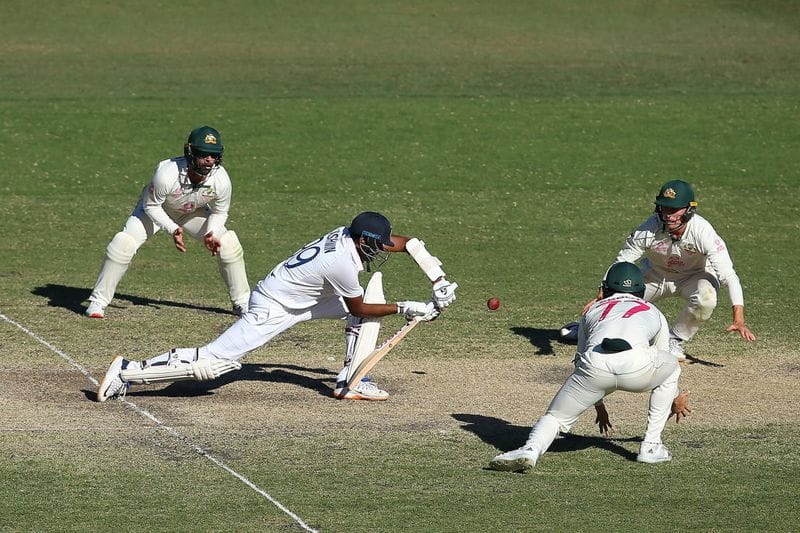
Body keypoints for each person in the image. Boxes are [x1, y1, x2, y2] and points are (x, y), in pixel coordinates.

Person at [96, 211, 458, 402]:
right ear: (362, 239)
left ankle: (351, 381)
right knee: (214, 363)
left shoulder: (349, 234)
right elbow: (360, 307)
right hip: (275, 305)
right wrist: (408, 307)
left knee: (364, 308)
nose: (379, 250)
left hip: (304, 299)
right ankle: (127, 372)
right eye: (374, 245)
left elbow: (408, 242)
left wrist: (437, 280)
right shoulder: (343, 262)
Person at [490, 262, 690, 473]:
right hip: (637, 368)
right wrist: (674, 397)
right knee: (672, 367)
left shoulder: (592, 310)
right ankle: (651, 446)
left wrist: (598, 403)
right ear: (640, 290)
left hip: (595, 366)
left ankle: (530, 450)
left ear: (605, 289)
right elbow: (663, 359)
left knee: (556, 417)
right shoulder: (653, 311)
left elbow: (580, 359)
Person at [561, 180, 755, 359]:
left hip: (694, 277)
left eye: (674, 209)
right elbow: (622, 261)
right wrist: (603, 297)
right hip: (655, 275)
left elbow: (729, 276)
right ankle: (589, 327)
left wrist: (738, 319)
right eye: (664, 208)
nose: (668, 215)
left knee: (707, 297)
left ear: (689, 210)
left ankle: (675, 339)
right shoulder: (649, 228)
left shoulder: (703, 232)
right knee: (618, 295)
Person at [84, 125, 250, 319]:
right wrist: (172, 229)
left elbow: (221, 211)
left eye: (213, 155)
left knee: (228, 243)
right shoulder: (167, 173)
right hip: (156, 210)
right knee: (123, 243)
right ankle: (98, 301)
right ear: (190, 152)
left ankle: (242, 303)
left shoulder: (221, 179)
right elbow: (151, 206)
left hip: (191, 212)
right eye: (204, 154)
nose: (209, 160)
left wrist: (210, 233)